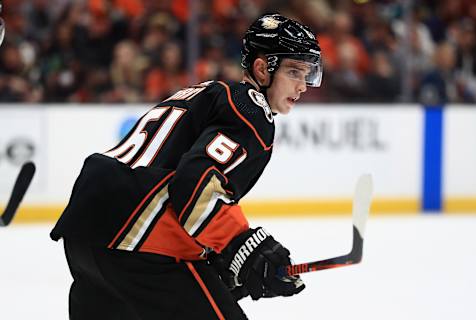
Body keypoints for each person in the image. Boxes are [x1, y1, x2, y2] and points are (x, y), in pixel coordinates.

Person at [50, 13, 323, 320]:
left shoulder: (202, 92)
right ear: (262, 68)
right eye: (294, 72)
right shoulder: (249, 108)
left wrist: (219, 256)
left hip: (86, 231)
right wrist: (245, 248)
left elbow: (169, 172)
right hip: (139, 241)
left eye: (308, 74)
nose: (302, 86)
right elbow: (196, 185)